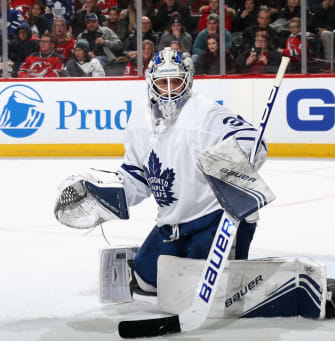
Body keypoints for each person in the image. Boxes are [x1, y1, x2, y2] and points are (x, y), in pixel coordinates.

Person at [54, 47, 266, 294]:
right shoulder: (138, 122)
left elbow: (254, 141)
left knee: (206, 289)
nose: (167, 90)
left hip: (216, 220)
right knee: (146, 280)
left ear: (187, 83)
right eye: (161, 83)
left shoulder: (206, 113)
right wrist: (107, 194)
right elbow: (137, 178)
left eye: (175, 82)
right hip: (172, 223)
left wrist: (242, 155)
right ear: (150, 84)